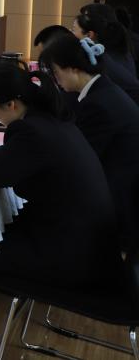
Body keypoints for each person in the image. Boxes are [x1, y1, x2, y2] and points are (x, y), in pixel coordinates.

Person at [0, 62, 122, 287]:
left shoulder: (30, 132)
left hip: (71, 257)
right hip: (90, 245)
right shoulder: (51, 118)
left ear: (11, 104)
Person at [40, 35, 139, 245]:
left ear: (73, 69)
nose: (56, 79)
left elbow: (80, 160)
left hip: (118, 201)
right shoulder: (102, 90)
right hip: (119, 186)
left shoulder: (98, 104)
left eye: (56, 72)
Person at [71, 13, 139, 103]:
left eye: (73, 29)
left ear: (89, 35)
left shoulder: (97, 61)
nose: (70, 33)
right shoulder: (107, 55)